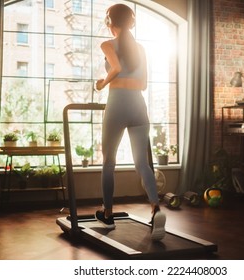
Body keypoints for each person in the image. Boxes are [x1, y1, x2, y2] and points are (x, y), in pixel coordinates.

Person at [95, 3, 166, 241]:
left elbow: (115, 68)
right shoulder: (141, 49)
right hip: (138, 106)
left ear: (109, 22)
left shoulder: (107, 44)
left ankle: (107, 214)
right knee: (142, 164)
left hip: (116, 105)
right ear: (131, 22)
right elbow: (143, 84)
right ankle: (156, 207)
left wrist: (102, 83)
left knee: (108, 162)